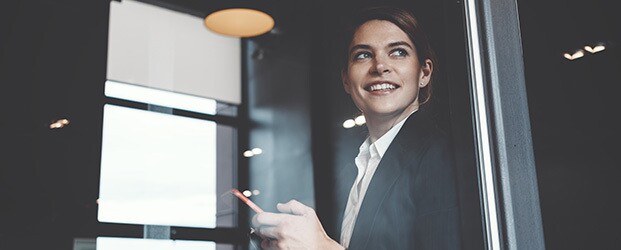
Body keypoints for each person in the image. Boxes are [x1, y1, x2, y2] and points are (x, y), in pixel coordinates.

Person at [252, 6, 461, 249]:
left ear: (424, 73)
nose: (380, 66)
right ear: (346, 80)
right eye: (363, 55)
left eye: (398, 52)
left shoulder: (441, 156)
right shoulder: (356, 169)